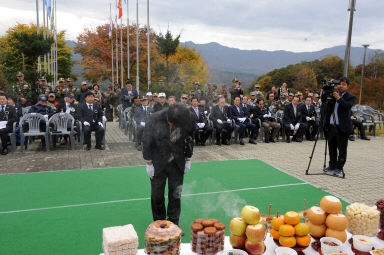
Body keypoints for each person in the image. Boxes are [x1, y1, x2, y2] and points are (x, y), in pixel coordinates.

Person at [142, 103, 195, 226]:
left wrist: (188, 158)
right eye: (174, 125)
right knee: (157, 194)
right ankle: (159, 223)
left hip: (178, 161)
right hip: (158, 161)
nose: (177, 128)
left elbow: (190, 138)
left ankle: (174, 223)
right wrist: (148, 162)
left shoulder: (189, 117)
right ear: (168, 119)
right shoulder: (154, 119)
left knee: (176, 193)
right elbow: (146, 141)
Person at [322, 77, 356, 177]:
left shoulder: (350, 97)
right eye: (340, 84)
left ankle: (339, 167)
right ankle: (332, 165)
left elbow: (346, 107)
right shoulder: (334, 93)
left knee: (342, 149)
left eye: (343, 84)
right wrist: (325, 91)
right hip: (332, 126)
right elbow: (324, 101)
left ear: (347, 86)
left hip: (343, 127)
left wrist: (338, 98)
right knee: (332, 147)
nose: (341, 86)